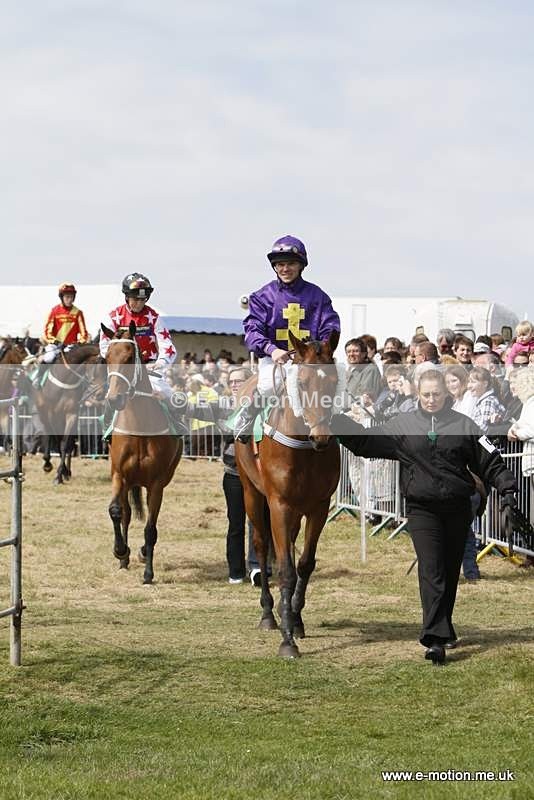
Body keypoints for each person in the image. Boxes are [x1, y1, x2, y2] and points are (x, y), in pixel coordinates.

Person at [333, 370, 517, 664]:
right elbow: (366, 443)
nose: (431, 400)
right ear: (418, 394)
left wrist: (508, 487)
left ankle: (445, 626)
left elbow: (490, 460)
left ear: (447, 394)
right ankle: (435, 638)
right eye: (426, 394)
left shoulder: (464, 425)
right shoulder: (403, 425)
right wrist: (334, 422)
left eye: (437, 394)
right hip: (422, 509)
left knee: (449, 568)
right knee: (432, 570)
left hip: (458, 508)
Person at [235, 235, 340, 442]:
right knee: (267, 383)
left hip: (310, 360)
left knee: (336, 383)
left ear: (301, 265)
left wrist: (321, 350)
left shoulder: (318, 296)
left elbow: (331, 325)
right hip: (276, 357)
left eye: (290, 263)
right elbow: (252, 330)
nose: (285, 269)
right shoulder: (262, 297)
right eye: (280, 264)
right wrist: (271, 349)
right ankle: (245, 420)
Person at [182, 365, 268, 583]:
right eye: (232, 382)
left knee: (257, 521)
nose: (235, 385)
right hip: (233, 473)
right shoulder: (224, 405)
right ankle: (236, 571)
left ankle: (257, 567)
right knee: (235, 522)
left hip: (259, 475)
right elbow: (195, 411)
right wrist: (166, 402)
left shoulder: (261, 405)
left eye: (239, 380)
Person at [99, 273, 186, 431]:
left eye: (143, 299)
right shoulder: (113, 318)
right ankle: (107, 429)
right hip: (123, 370)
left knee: (167, 393)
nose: (139, 303)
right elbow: (105, 347)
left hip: (149, 369)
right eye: (135, 299)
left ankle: (177, 425)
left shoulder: (154, 317)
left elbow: (168, 346)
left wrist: (160, 363)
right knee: (110, 396)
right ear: (127, 297)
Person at [507, 368, 534, 568]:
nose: (512, 387)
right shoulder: (527, 404)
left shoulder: (532, 403)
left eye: (515, 382)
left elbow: (531, 431)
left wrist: (517, 431)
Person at [42, 283, 90, 363]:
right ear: (62, 297)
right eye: (67, 297)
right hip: (55, 346)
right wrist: (56, 342)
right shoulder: (54, 311)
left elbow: (84, 334)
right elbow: (47, 332)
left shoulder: (78, 313)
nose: (70, 299)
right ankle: (39, 375)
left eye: (71, 297)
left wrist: (78, 343)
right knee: (48, 358)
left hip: (70, 347)